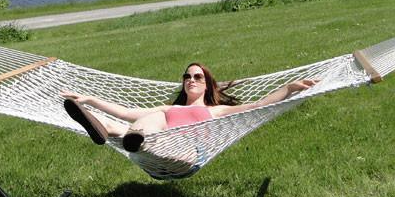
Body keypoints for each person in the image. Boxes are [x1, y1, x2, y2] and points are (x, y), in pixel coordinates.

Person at [62, 62, 317, 153]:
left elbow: (259, 105)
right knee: (154, 116)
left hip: (186, 152)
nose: (191, 80)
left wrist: (289, 88)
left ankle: (132, 138)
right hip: (151, 144)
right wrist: (89, 99)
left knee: (154, 122)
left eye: (198, 77)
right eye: (187, 77)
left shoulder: (215, 111)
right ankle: (105, 127)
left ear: (207, 86)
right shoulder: (169, 108)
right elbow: (126, 112)